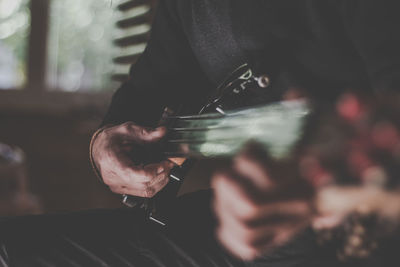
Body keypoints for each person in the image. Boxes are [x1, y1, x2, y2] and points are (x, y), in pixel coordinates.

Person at [1, 0, 400, 266]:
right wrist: (101, 146)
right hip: (236, 231)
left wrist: (325, 191)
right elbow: (141, 98)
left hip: (364, 232)